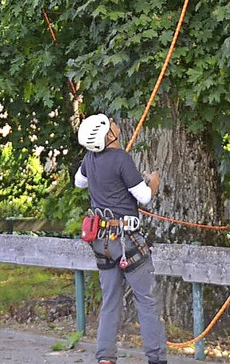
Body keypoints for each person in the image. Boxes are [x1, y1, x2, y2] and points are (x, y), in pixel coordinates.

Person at [74, 113, 167, 364]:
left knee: (110, 301)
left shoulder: (90, 158)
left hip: (101, 242)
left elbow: (79, 182)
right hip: (126, 241)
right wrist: (154, 182)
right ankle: (157, 358)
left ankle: (105, 357)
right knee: (146, 300)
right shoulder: (121, 159)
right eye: (111, 123)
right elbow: (144, 197)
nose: (115, 123)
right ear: (108, 134)